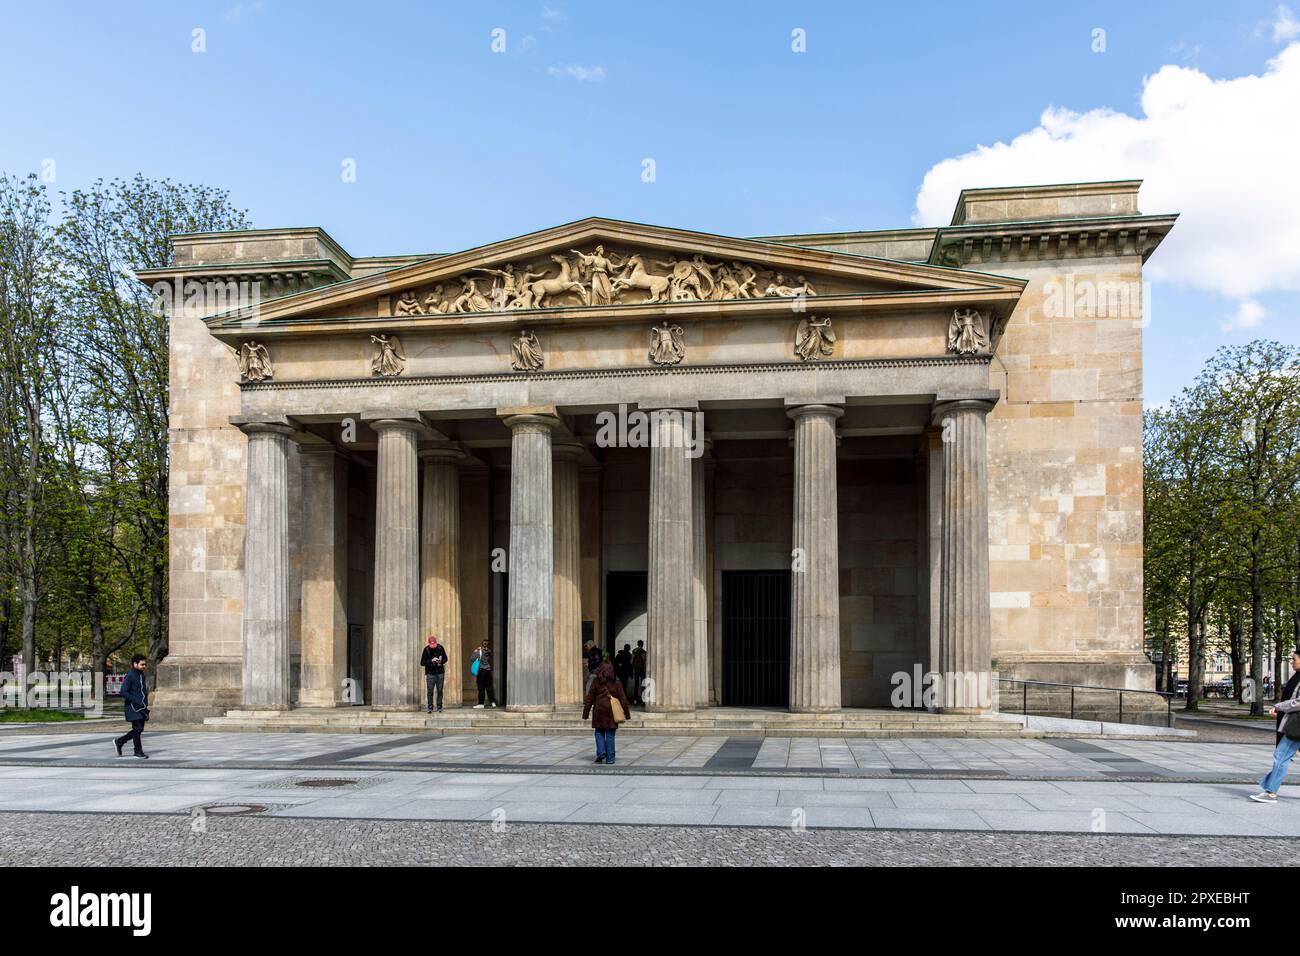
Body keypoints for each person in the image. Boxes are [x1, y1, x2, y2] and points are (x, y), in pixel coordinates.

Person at [1250, 647, 1300, 803]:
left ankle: (1270, 792)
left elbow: (1298, 702)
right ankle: (1269, 788)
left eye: (1294, 659)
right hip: (1295, 723)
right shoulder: (1297, 677)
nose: (1292, 662)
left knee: (1281, 756)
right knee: (1282, 756)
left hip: (1297, 727)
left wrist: (1279, 706)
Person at [583, 656, 631, 765]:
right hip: (611, 711)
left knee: (599, 732)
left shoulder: (596, 682)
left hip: (599, 710)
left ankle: (601, 752)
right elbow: (623, 699)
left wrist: (585, 713)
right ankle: (610, 758)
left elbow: (589, 698)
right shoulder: (617, 682)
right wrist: (627, 714)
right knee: (610, 734)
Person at [114, 654, 150, 759]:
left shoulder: (141, 675)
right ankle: (138, 752)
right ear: (135, 664)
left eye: (145, 664)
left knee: (139, 729)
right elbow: (123, 692)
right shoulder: (130, 676)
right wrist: (135, 701)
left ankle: (120, 741)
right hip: (132, 707)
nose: (144, 666)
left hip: (141, 707)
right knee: (138, 728)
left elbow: (142, 692)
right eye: (142, 664)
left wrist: (145, 705)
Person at [420, 634, 448, 713]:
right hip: (430, 673)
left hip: (440, 672)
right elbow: (422, 663)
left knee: (440, 690)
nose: (433, 646)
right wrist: (431, 660)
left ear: (436, 642)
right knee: (430, 691)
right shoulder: (426, 650)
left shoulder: (440, 648)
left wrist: (440, 661)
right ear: (429, 643)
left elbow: (446, 658)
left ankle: (439, 707)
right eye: (431, 644)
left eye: (434, 644)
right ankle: (430, 707)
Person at [471, 640, 497, 709]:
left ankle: (481, 703)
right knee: (489, 687)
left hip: (481, 671)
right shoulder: (489, 651)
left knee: (481, 688)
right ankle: (493, 702)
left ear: (482, 644)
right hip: (488, 671)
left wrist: (475, 651)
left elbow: (472, 659)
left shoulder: (479, 651)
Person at [631, 639, 647, 705]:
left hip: (636, 669)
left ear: (637, 644)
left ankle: (635, 700)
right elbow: (644, 662)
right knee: (643, 684)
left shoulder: (634, 651)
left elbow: (631, 661)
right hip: (642, 670)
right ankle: (643, 700)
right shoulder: (644, 652)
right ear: (642, 644)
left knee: (636, 684)